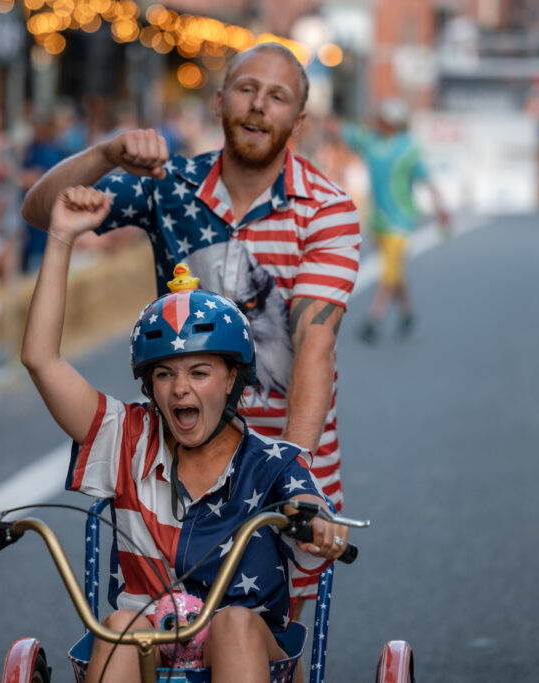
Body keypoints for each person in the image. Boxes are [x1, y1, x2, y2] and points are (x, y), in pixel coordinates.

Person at [22, 43, 361, 610]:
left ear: (299, 119)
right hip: (175, 447)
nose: (258, 106)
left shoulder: (326, 209)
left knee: (275, 634)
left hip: (284, 450)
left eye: (277, 97)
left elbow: (315, 348)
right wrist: (107, 152)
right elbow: (42, 211)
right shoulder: (169, 184)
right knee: (158, 620)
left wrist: (288, 478)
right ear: (220, 99)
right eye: (247, 88)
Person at [20, 185, 349, 683]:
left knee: (235, 623)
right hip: (149, 645)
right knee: (116, 627)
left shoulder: (273, 462)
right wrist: (63, 236)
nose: (179, 390)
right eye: (165, 374)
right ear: (148, 384)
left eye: (199, 372)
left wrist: (321, 525)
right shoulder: (126, 438)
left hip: (244, 649)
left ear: (234, 379)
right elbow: (40, 360)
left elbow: (310, 507)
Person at [339, 98, 450, 344]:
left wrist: (441, 209)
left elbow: (428, 181)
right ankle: (407, 313)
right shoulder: (372, 142)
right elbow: (344, 130)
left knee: (388, 269)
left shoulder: (409, 148)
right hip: (378, 220)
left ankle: (373, 319)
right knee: (395, 269)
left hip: (400, 219)